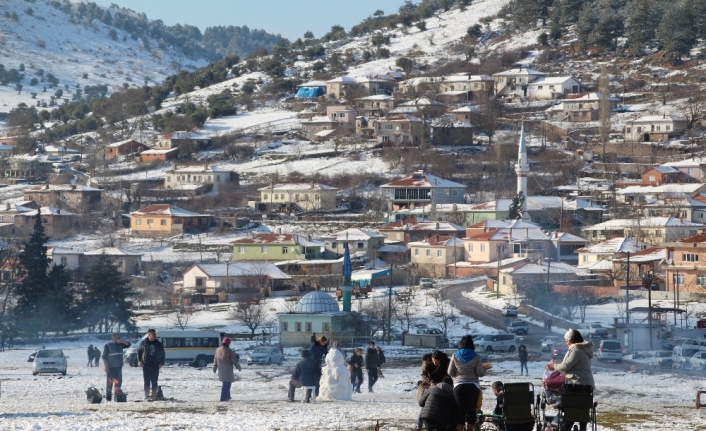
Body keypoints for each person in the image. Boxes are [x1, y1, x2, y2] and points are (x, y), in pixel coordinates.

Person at [546, 329, 595, 431]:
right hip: (585, 385)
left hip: (577, 385)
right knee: (582, 411)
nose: (566, 342)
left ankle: (566, 428)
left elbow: (567, 365)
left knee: (572, 410)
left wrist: (553, 366)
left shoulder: (577, 350)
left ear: (570, 340)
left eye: (566, 340)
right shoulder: (582, 349)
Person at [448, 335, 486, 431]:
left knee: (460, 410)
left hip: (459, 386)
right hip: (473, 386)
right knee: (471, 410)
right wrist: (484, 368)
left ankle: (459, 428)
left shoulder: (455, 355)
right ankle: (470, 428)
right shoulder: (477, 356)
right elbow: (480, 373)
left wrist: (458, 372)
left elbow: (450, 372)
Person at [102, 333, 131, 401]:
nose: (118, 338)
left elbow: (128, 344)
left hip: (119, 366)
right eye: (117, 337)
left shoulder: (120, 344)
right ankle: (108, 397)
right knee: (109, 382)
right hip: (110, 367)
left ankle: (117, 396)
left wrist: (122, 341)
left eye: (119, 337)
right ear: (113, 338)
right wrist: (106, 366)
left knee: (118, 382)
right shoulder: (108, 345)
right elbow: (104, 357)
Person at [137, 328, 165, 400]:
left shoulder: (158, 344)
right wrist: (139, 361)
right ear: (149, 335)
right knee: (146, 381)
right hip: (146, 365)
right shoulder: (143, 343)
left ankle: (154, 395)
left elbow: (162, 354)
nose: (155, 336)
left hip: (155, 364)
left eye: (155, 334)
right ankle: (147, 395)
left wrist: (161, 363)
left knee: (154, 381)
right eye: (153, 334)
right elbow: (139, 352)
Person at [213, 337, 241, 402]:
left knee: (225, 383)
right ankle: (223, 397)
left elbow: (215, 360)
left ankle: (228, 396)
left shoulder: (217, 350)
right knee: (227, 383)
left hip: (220, 370)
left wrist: (214, 368)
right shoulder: (229, 351)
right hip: (227, 370)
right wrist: (238, 367)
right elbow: (234, 361)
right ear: (228, 343)